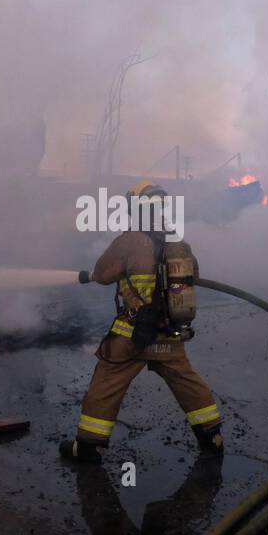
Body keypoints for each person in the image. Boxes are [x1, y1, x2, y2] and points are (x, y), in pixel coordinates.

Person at [60, 180, 222, 462]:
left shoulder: (128, 241)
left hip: (132, 337)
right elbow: (192, 276)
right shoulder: (179, 243)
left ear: (136, 208)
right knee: (186, 380)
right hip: (169, 334)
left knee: (106, 384)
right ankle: (212, 436)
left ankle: (87, 447)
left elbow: (102, 273)